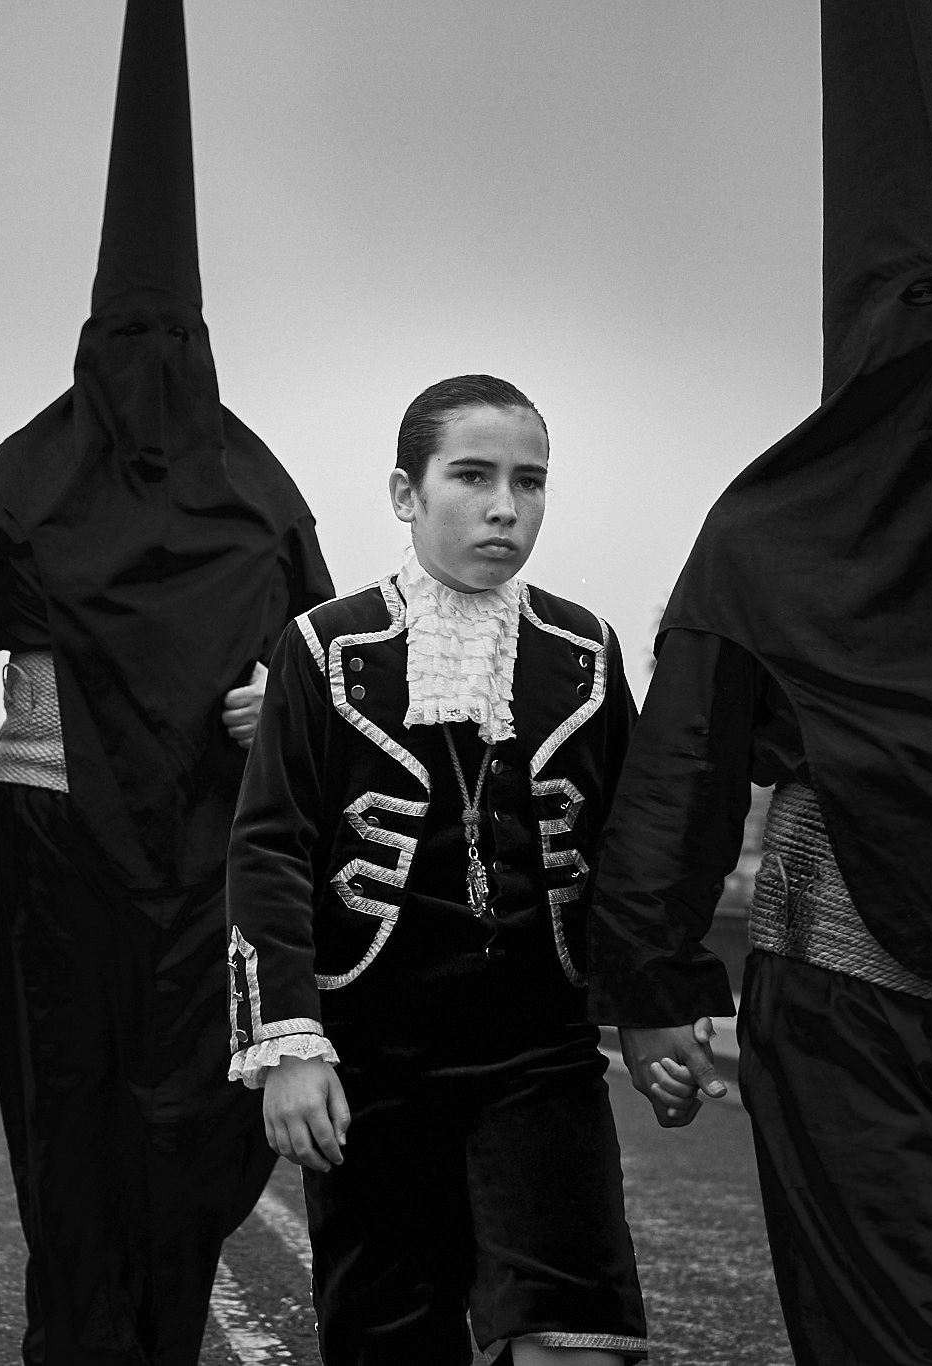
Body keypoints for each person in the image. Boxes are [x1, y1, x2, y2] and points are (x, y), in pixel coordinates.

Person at [586, 3, 932, 1362]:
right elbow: (688, 775)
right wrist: (645, 984)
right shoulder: (783, 537)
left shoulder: (777, 532)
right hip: (858, 1022)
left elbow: (687, 774)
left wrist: (649, 979)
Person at [0, 2, 332, 1358]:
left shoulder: (260, 495)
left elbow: (335, 670)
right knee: (71, 1157)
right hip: (54, 859)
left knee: (195, 1142)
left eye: (169, 350)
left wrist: (281, 711)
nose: (151, 381)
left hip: (212, 862)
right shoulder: (20, 484)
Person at [229, 376, 646, 1364]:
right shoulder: (323, 648)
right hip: (373, 1052)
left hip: (539, 1048)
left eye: (529, 480)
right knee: (390, 1338)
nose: (505, 506)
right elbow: (268, 846)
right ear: (404, 492)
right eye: (471, 475)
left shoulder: (582, 650)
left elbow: (629, 847)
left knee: (574, 1338)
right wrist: (288, 1043)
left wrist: (658, 1001)